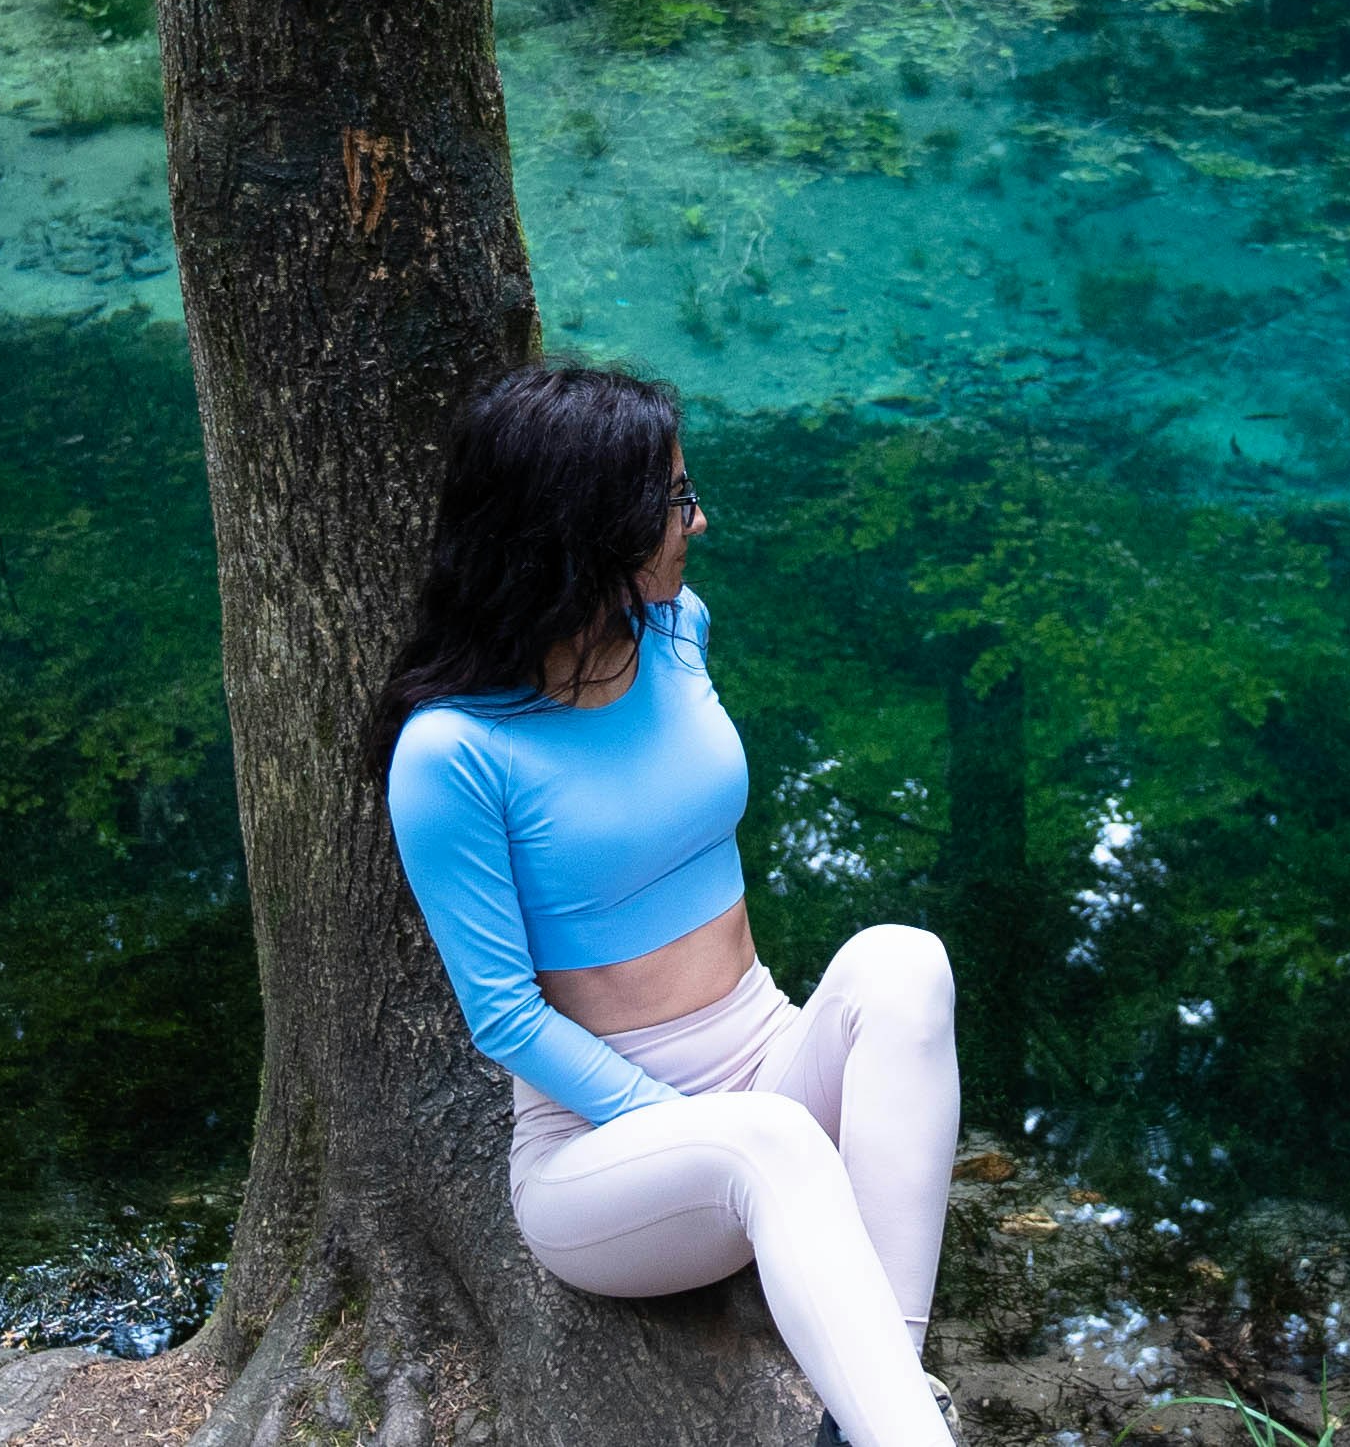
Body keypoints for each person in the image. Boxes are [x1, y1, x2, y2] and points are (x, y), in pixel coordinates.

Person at [369, 362, 962, 1447]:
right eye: (677, 500)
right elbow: (502, 1017)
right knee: (769, 1145)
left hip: (769, 1068)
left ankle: (874, 1399)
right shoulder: (451, 753)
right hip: (604, 1156)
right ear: (585, 527)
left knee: (903, 960)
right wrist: (690, 1125)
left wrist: (758, 1107)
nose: (702, 518)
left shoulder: (677, 632)